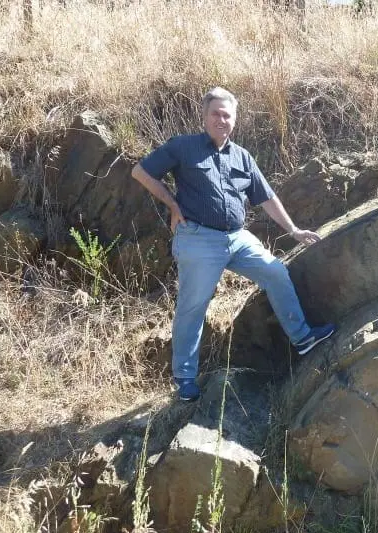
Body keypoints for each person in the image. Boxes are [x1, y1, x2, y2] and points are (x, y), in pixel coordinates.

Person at [132, 87, 335, 401]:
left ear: (235, 120)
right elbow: (141, 172)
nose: (221, 120)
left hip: (238, 238)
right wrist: (172, 204)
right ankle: (185, 378)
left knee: (276, 272)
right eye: (216, 113)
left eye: (227, 115)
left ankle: (302, 337)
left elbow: (266, 196)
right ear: (204, 116)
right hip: (198, 238)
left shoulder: (242, 157)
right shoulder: (183, 147)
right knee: (193, 307)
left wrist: (293, 229)